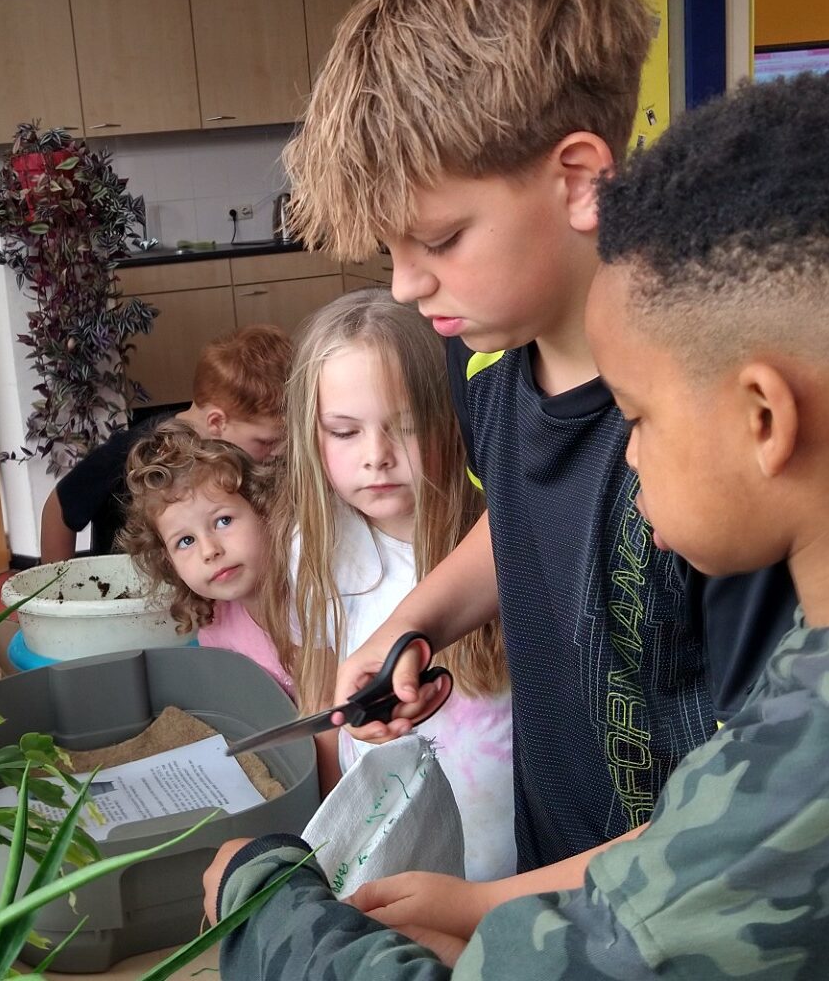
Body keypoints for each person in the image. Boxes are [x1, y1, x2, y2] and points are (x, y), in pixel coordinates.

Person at [202, 73, 829, 978]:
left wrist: (260, 901)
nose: (628, 453)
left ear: (765, 419)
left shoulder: (802, 799)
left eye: (638, 418)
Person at [268, 0, 797, 936]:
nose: (404, 284)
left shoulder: (715, 445)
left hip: (672, 919)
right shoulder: (488, 366)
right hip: (557, 865)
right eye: (389, 247)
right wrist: (416, 622)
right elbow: (522, 521)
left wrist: (485, 908)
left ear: (580, 177)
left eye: (440, 239)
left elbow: (754, 816)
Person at [268, 287, 515, 881]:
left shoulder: (503, 538)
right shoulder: (314, 548)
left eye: (402, 427)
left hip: (511, 854)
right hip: (390, 847)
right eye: (345, 432)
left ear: (450, 417)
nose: (375, 456)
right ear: (311, 435)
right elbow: (323, 707)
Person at [39, 324, 291, 562]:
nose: (280, 452)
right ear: (216, 422)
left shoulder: (240, 445)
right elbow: (58, 508)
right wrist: (55, 597)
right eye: (267, 441)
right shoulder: (138, 448)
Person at [118, 420, 295, 699]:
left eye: (223, 521)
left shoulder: (312, 595)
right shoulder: (216, 625)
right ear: (168, 560)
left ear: (263, 510)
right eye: (185, 541)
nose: (209, 550)